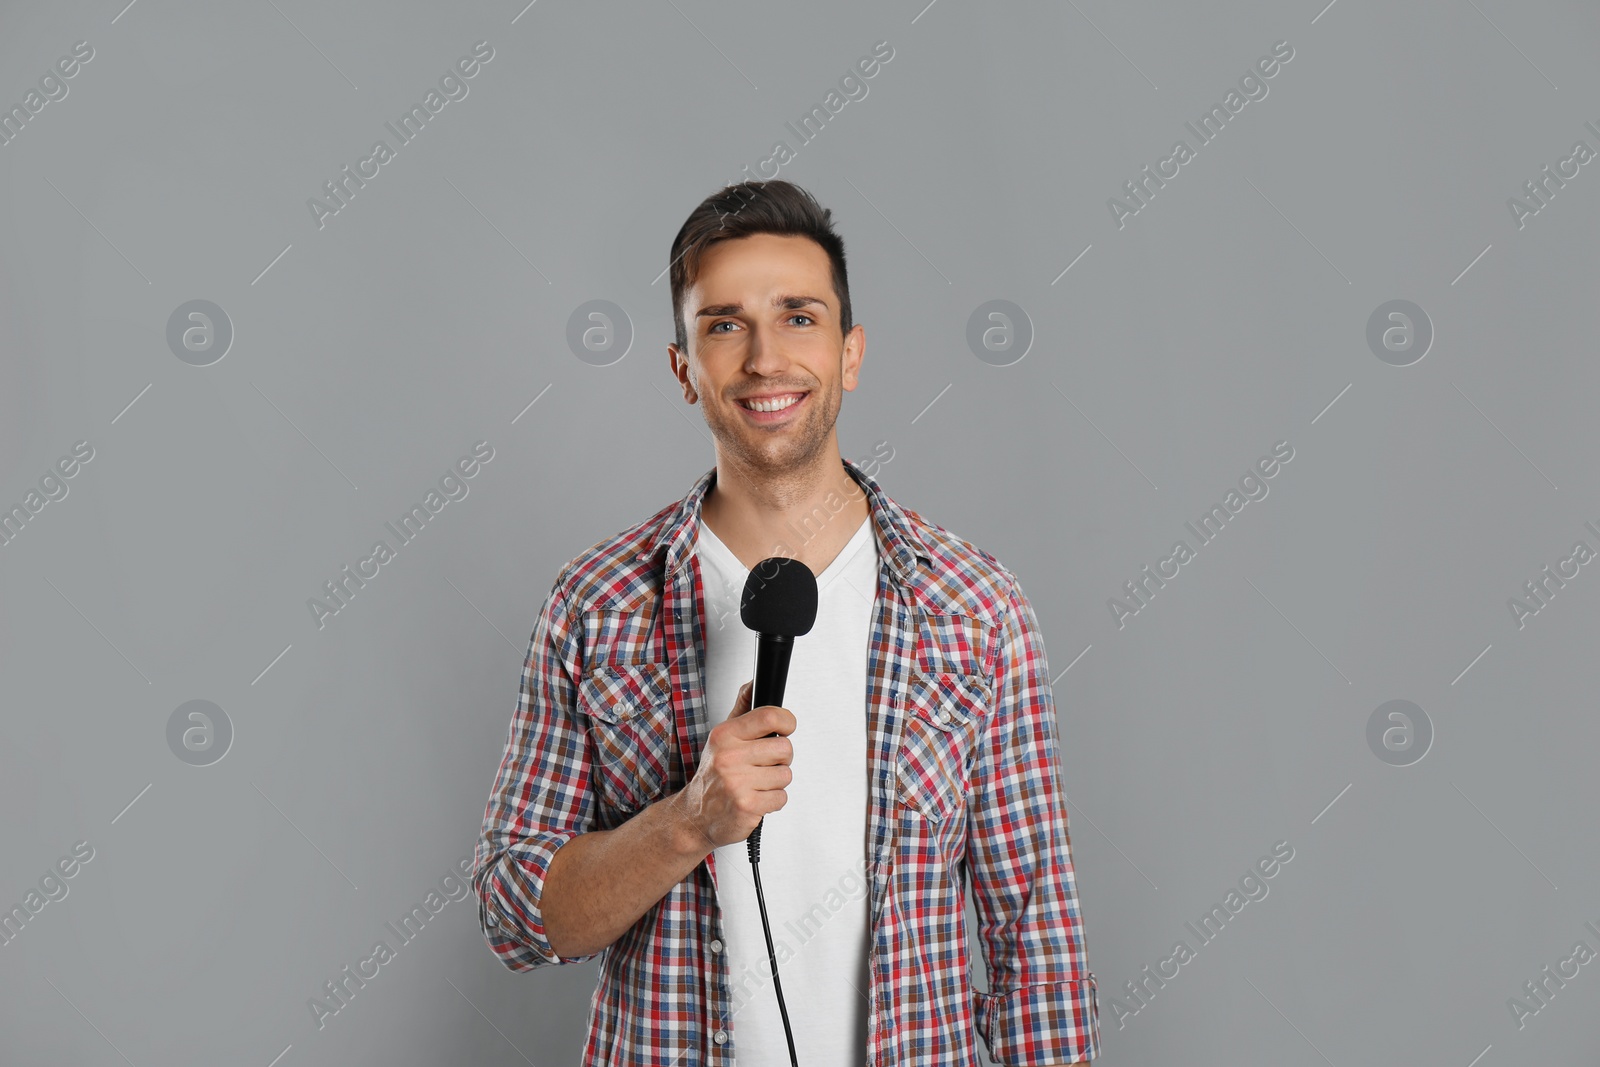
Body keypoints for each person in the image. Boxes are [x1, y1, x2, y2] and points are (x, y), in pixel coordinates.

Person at [473, 179, 1100, 1065]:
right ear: (683, 367)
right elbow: (514, 915)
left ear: (850, 353)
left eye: (799, 317)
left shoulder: (976, 606)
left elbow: (1038, 943)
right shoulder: (596, 603)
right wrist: (685, 822)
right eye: (724, 324)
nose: (766, 359)